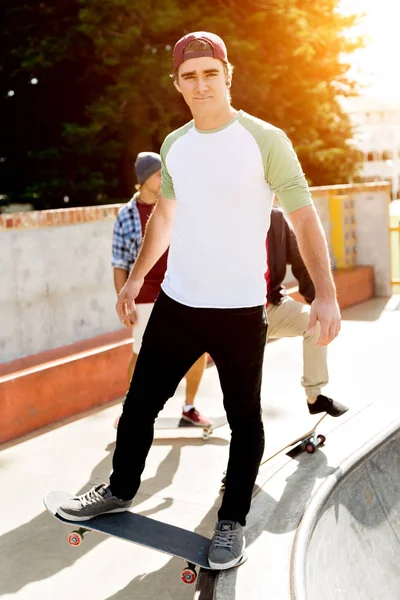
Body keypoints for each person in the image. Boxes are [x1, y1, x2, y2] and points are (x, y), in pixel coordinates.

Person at [58, 32, 341, 570]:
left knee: (244, 420)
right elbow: (164, 218)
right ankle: (119, 489)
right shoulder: (174, 145)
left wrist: (325, 295)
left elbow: (304, 218)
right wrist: (135, 280)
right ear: (177, 84)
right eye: (190, 76)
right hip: (177, 302)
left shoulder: (265, 140)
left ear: (228, 75)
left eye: (211, 73)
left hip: (239, 310)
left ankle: (231, 521)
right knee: (139, 405)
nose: (201, 83)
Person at [111, 151, 210, 427]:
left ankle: (189, 408)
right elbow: (119, 263)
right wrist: (124, 301)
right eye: (158, 174)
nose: (164, 178)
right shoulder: (126, 216)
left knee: (198, 349)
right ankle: (131, 408)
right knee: (141, 354)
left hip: (181, 291)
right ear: (144, 180)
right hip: (143, 296)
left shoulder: (177, 206)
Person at [266, 207, 348, 416]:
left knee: (317, 324)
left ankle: (315, 396)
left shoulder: (276, 218)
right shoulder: (229, 216)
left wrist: (321, 302)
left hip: (271, 305)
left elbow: (301, 262)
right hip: (237, 312)